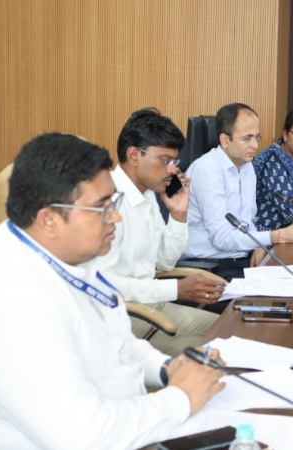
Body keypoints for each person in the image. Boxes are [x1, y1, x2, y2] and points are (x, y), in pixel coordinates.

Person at [0, 133, 225, 450]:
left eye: (114, 201)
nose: (116, 217)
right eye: (102, 207)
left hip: (122, 428)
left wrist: (166, 369)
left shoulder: (68, 254)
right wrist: (180, 399)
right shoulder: (10, 305)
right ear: (49, 220)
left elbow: (118, 341)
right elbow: (85, 437)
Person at [96, 108, 224, 356]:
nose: (172, 170)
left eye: (174, 162)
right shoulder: (108, 201)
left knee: (232, 331)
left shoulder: (146, 194)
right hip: (121, 316)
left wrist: (178, 214)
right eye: (165, 160)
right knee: (216, 353)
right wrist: (177, 289)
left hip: (153, 305)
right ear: (134, 155)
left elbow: (165, 262)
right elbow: (104, 283)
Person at [183, 103, 293, 287]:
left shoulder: (247, 166)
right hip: (210, 267)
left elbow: (248, 221)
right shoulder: (208, 170)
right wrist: (277, 236)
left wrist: (259, 244)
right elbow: (221, 238)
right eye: (247, 138)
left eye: (257, 137)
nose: (255, 145)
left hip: (241, 258)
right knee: (279, 295)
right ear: (225, 140)